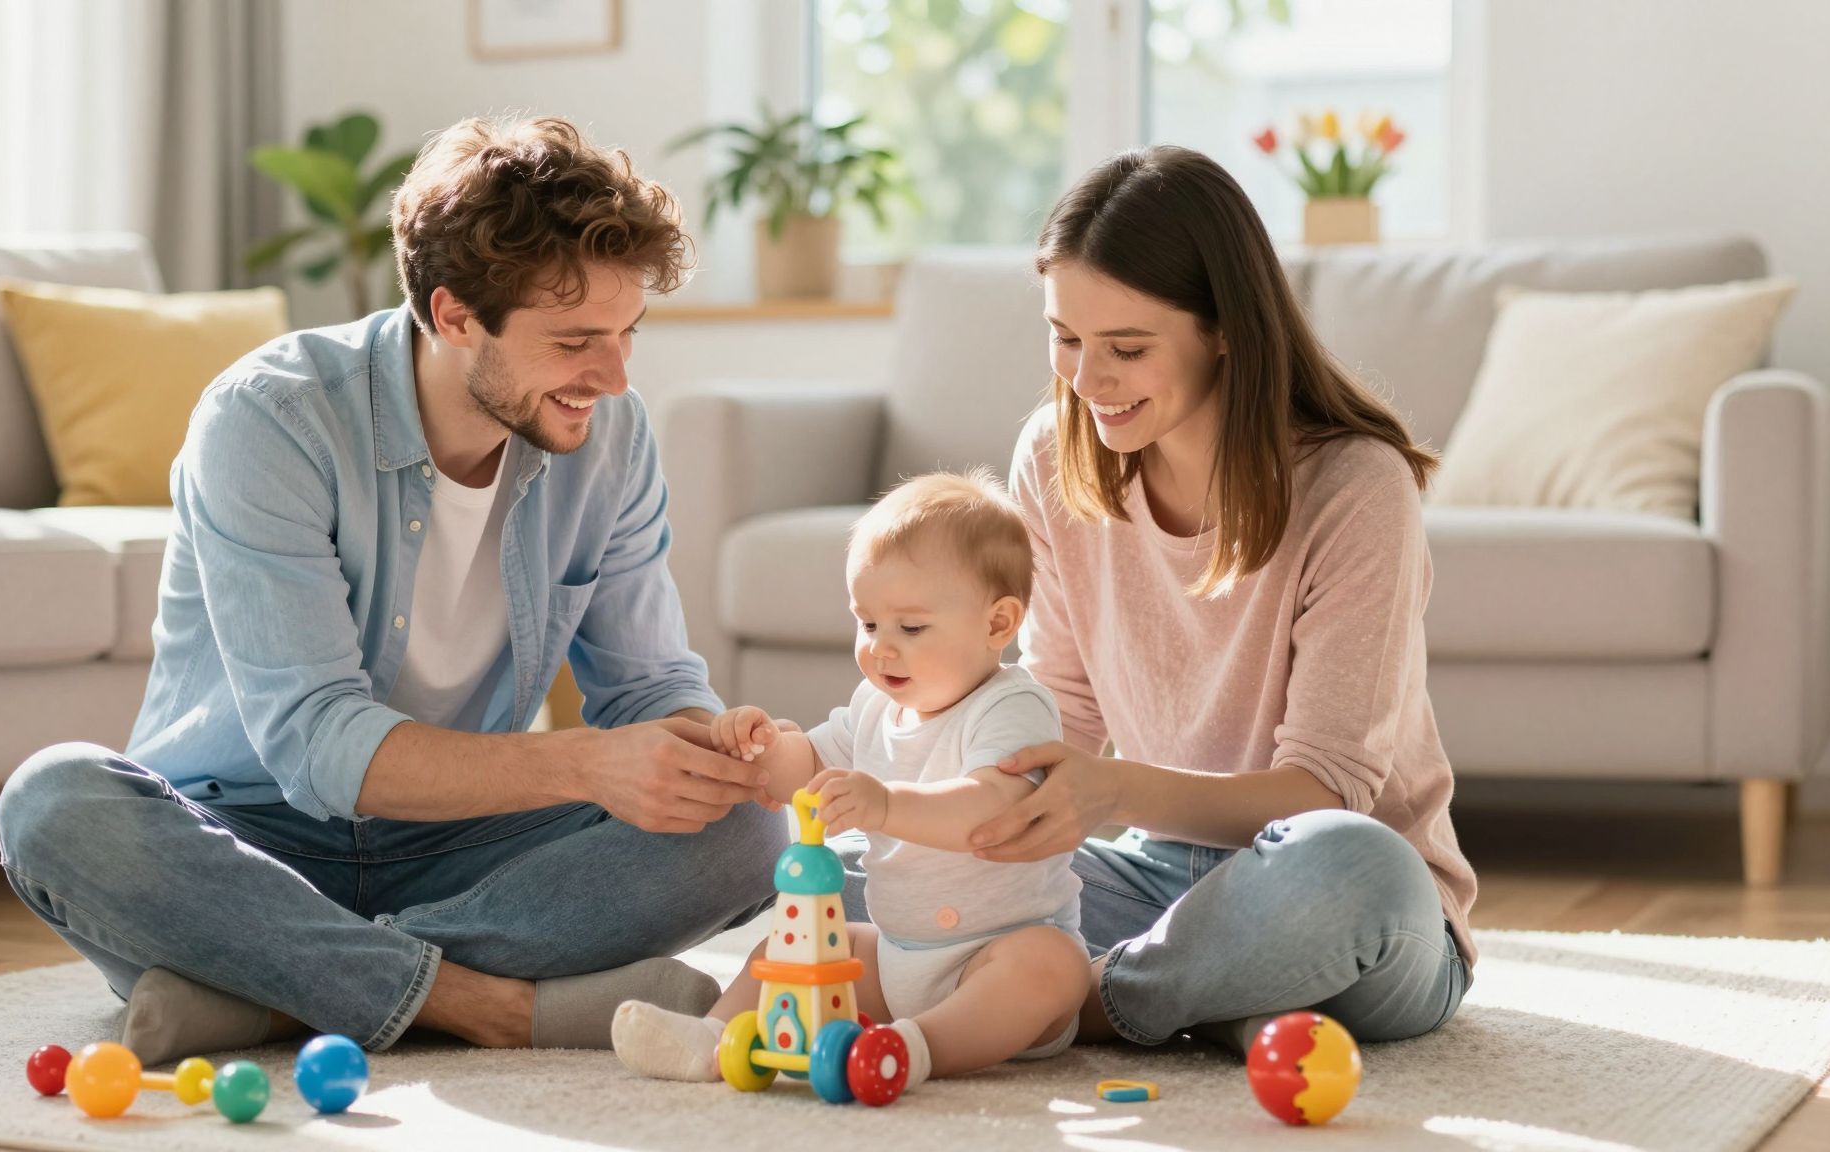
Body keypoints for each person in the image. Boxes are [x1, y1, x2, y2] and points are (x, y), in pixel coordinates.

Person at [0, 115, 786, 1062]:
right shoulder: (270, 418)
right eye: (577, 340)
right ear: (454, 316)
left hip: (462, 847)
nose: (613, 378)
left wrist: (714, 751)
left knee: (748, 828)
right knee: (51, 804)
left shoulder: (610, 437)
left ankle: (270, 992)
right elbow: (318, 744)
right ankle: (484, 1006)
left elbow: (649, 685)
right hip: (242, 839)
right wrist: (586, 763)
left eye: (626, 335)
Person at [956, 145, 1478, 1053]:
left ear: (1226, 327)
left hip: (1339, 899)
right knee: (868, 865)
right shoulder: (1053, 454)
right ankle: (1221, 998)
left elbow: (1326, 793)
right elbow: (1061, 710)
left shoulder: (1356, 486)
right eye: (1066, 338)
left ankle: (1074, 997)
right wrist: (942, 810)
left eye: (1127, 349)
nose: (1087, 381)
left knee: (1352, 867)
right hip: (1153, 882)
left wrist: (1114, 791)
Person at [612, 471, 1088, 1087]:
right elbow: (810, 766)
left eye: (910, 629)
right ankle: (711, 1037)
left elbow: (992, 809)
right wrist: (759, 748)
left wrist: (885, 805)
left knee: (1052, 966)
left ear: (998, 624)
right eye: (868, 625)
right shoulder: (875, 705)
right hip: (896, 959)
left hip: (999, 956)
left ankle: (915, 1050)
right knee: (792, 948)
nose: (881, 649)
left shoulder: (1012, 706)